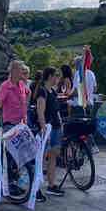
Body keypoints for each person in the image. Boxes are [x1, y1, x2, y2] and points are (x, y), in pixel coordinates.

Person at [0, 60, 31, 197]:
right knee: (12, 156)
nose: (22, 73)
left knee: (23, 156)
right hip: (10, 125)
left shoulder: (22, 85)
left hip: (22, 125)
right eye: (20, 70)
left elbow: (27, 94)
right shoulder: (5, 86)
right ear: (12, 71)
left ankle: (16, 182)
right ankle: (9, 183)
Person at [31, 67, 64, 199]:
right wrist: (44, 129)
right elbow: (40, 112)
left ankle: (51, 185)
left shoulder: (52, 91)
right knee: (41, 158)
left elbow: (56, 110)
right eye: (56, 75)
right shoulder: (42, 91)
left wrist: (61, 125)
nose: (57, 78)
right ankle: (36, 188)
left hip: (55, 126)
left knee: (53, 155)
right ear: (50, 76)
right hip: (47, 128)